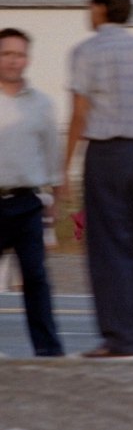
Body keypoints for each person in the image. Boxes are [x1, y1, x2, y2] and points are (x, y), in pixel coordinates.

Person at [63, 0, 133, 359]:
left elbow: (79, 115)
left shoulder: (86, 51)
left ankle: (115, 336)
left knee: (105, 245)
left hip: (105, 153)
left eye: (90, 5)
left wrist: (63, 168)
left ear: (101, 7)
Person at [0, 27, 65, 356]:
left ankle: (49, 352)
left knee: (36, 278)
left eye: (19, 54)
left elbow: (53, 155)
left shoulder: (41, 105)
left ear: (28, 59)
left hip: (27, 204)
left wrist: (54, 202)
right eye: (6, 54)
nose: (13, 61)